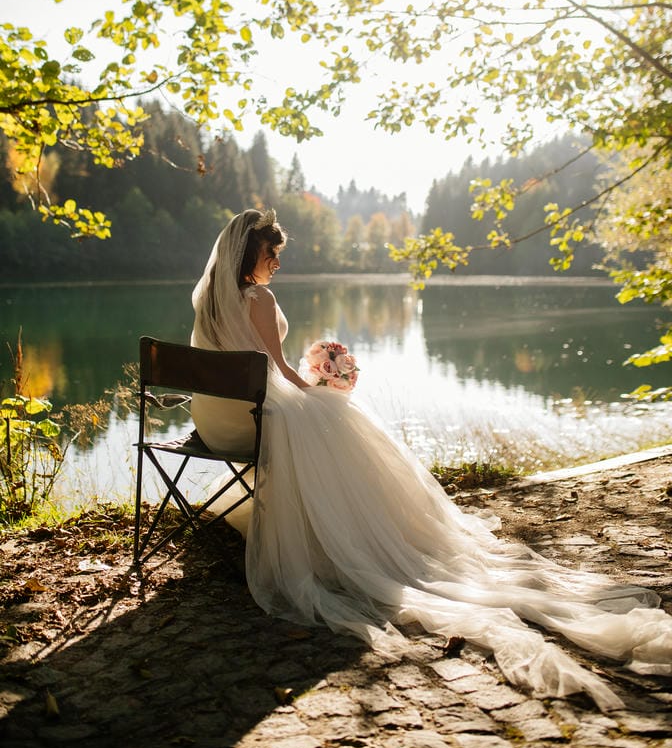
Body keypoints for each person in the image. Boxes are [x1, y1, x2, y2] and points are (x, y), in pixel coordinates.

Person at [191, 208, 672, 711]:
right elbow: (281, 371)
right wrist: (323, 385)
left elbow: (244, 365)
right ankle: (363, 531)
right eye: (272, 255)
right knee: (343, 419)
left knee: (329, 416)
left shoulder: (210, 300)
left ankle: (325, 516)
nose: (277, 265)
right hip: (257, 417)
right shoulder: (259, 297)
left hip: (216, 417)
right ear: (251, 254)